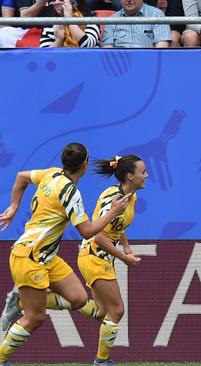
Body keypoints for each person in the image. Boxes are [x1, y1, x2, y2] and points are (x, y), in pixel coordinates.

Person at [0, 143, 132, 366]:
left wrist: (13, 206)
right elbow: (88, 231)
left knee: (79, 298)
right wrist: (113, 212)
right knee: (36, 317)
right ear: (84, 164)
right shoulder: (71, 193)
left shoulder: (51, 174)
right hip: (30, 257)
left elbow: (21, 177)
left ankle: (22, 302)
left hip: (46, 256)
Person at [76, 155, 145, 366]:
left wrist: (125, 245)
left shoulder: (130, 196)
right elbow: (97, 235)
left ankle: (41, 301)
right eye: (143, 172)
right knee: (117, 310)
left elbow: (116, 226)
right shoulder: (112, 198)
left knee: (102, 312)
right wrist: (124, 258)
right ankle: (101, 361)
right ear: (130, 176)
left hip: (100, 256)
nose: (147, 175)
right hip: (94, 255)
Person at [101, 0, 171, 47]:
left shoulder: (157, 15)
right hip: (121, 65)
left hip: (148, 63)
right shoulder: (112, 20)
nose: (129, 0)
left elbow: (162, 47)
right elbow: (107, 50)